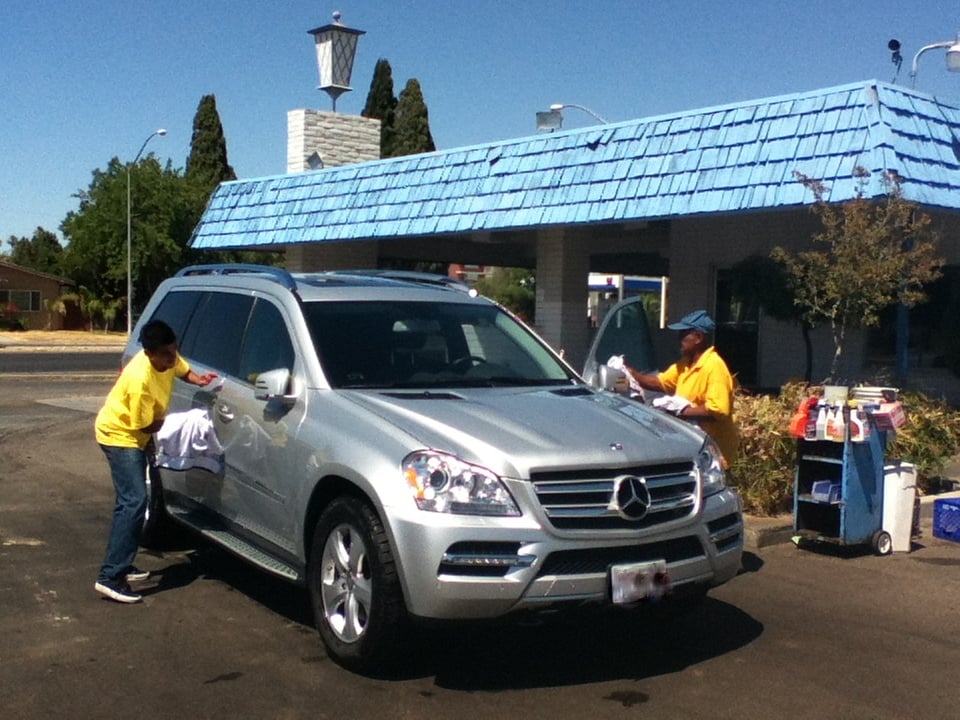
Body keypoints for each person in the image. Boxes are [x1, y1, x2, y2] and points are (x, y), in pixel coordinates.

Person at [93, 320, 217, 603]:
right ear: (149, 354)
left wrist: (197, 379)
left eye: (174, 352)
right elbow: (146, 426)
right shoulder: (139, 379)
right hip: (120, 436)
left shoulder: (167, 357)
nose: (172, 359)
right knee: (134, 501)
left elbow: (180, 366)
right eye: (165, 355)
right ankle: (110, 577)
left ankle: (122, 562)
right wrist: (180, 423)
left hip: (137, 435)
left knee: (129, 503)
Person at [622, 309, 739, 468]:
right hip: (695, 445)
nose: (679, 339)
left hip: (713, 452)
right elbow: (660, 383)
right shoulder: (685, 364)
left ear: (698, 337)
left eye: (684, 334)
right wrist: (630, 374)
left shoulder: (714, 366)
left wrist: (679, 411)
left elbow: (717, 410)